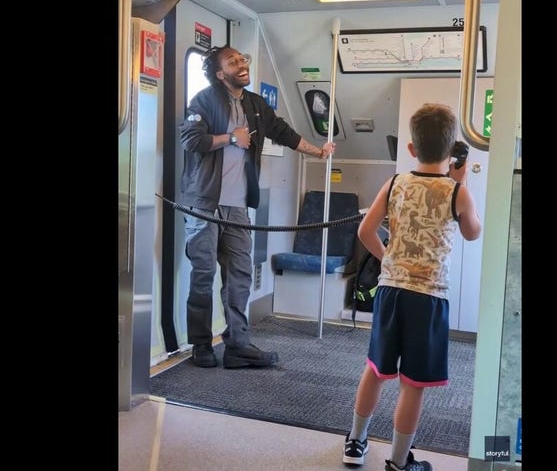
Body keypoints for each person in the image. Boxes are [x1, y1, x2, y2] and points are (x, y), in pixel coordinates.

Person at [341, 103, 482, 470]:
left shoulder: (395, 183)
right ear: (452, 152)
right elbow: (472, 232)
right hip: (428, 298)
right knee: (413, 383)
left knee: (376, 369)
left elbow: (365, 231)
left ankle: (355, 442)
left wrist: (388, 257)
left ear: (411, 148)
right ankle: (400, 462)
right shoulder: (456, 192)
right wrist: (461, 181)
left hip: (390, 291)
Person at [179, 45, 336, 369]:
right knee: (203, 275)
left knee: (240, 277)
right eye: (232, 61)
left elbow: (283, 133)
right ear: (220, 74)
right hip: (204, 205)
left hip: (238, 208)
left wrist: (318, 152)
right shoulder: (203, 101)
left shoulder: (256, 104)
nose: (241, 63)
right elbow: (191, 140)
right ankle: (201, 345)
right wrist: (230, 138)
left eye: (242, 59)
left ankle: (237, 345)